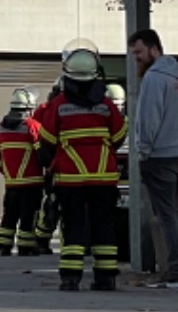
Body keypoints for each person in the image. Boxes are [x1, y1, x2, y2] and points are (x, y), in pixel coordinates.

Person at [32, 39, 126, 292]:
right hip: (104, 178)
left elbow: (47, 142)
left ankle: (71, 278)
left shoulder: (59, 106)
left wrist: (49, 163)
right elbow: (119, 137)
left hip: (70, 179)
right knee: (103, 225)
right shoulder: (106, 106)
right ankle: (106, 277)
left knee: (73, 226)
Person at [129, 28, 178, 289]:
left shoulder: (154, 79)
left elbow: (148, 118)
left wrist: (142, 150)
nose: (136, 59)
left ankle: (176, 272)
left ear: (154, 49)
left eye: (139, 52)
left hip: (159, 155)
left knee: (166, 215)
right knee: (173, 214)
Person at [0, 88, 47, 256]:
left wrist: (5, 170)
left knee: (10, 214)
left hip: (11, 183)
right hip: (32, 182)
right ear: (30, 108)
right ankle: (25, 246)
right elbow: (43, 154)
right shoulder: (33, 126)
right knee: (29, 215)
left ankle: (4, 245)